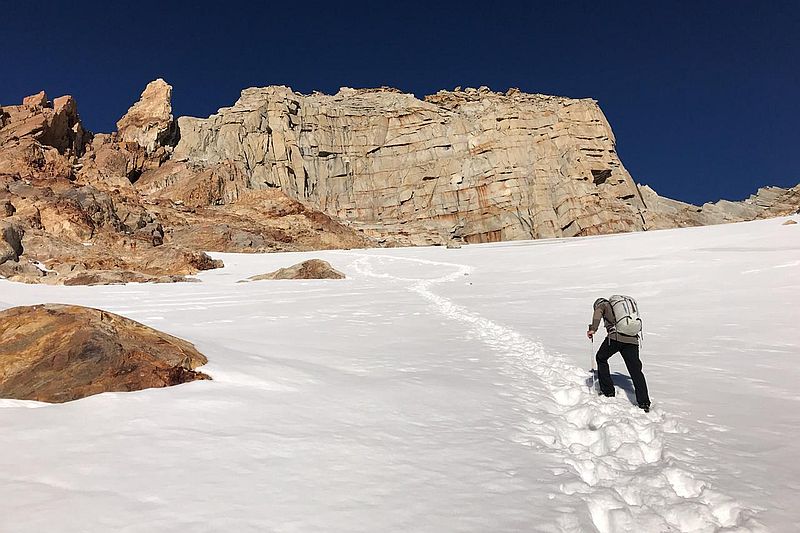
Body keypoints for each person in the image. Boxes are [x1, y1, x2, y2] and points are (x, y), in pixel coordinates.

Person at [587, 298, 651, 412]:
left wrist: (593, 329)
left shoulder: (603, 305)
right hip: (632, 340)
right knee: (635, 370)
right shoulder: (624, 307)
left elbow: (598, 313)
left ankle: (608, 391)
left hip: (616, 338)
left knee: (601, 358)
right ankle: (644, 402)